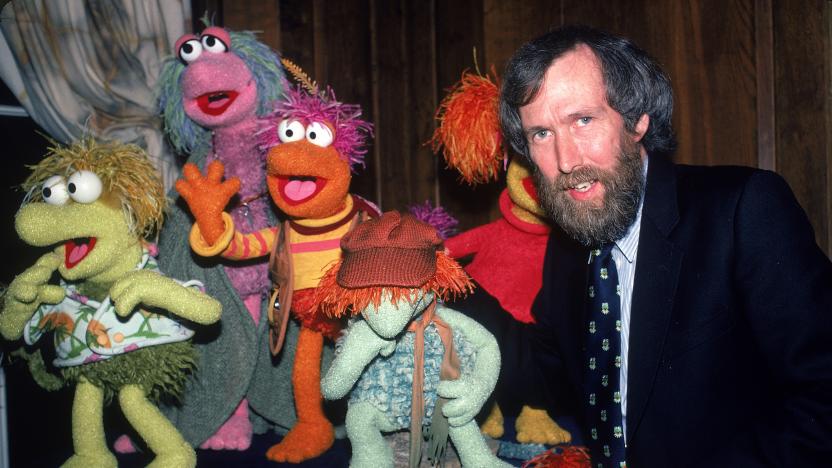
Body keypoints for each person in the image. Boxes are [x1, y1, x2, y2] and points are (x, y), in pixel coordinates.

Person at [455, 25, 832, 467]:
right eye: (541, 133)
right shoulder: (573, 242)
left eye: (583, 120)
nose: (566, 160)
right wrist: (444, 285)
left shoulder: (743, 209)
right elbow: (545, 373)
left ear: (637, 119)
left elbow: (823, 399)